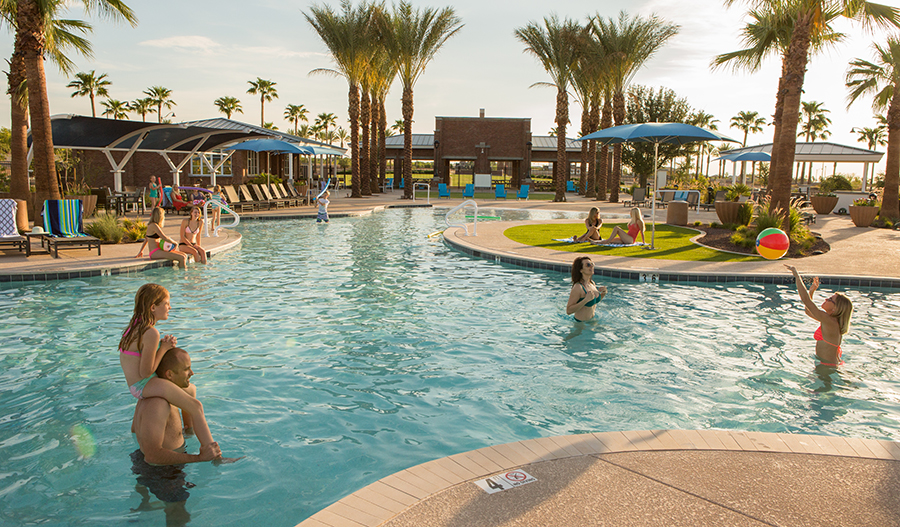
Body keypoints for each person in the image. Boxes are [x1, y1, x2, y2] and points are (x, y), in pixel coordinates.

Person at [129, 347, 225, 526]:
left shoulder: (156, 393)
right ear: (170, 375)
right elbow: (152, 455)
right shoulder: (157, 404)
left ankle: (145, 505)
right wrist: (198, 458)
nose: (192, 373)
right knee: (179, 516)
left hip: (150, 463)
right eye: (187, 369)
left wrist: (187, 430)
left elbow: (135, 431)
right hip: (162, 470)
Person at [119, 284, 218, 454]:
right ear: (153, 307)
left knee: (190, 390)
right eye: (166, 303)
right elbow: (146, 371)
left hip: (136, 386)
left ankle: (188, 430)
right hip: (144, 384)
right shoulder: (151, 333)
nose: (169, 307)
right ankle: (212, 452)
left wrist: (162, 347)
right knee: (196, 406)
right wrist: (163, 348)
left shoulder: (132, 328)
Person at [785, 265, 854, 367]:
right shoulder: (830, 320)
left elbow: (805, 300)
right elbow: (808, 311)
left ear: (836, 308)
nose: (826, 299)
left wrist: (797, 276)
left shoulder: (830, 321)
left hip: (827, 366)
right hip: (829, 364)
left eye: (830, 299)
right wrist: (811, 291)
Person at [566, 256, 607, 322]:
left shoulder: (592, 283)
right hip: (580, 325)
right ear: (581, 270)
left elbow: (593, 302)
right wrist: (585, 300)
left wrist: (603, 293)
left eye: (592, 264)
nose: (591, 266)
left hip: (592, 321)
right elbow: (568, 311)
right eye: (588, 265)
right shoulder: (578, 287)